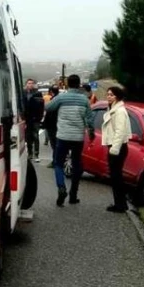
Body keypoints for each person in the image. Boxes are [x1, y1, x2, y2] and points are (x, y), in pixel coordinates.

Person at [45, 74, 94, 206]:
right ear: (79, 85)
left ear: (67, 84)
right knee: (77, 164)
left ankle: (61, 187)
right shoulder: (84, 100)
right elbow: (90, 119)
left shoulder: (62, 97)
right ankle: (73, 195)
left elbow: (48, 108)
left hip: (63, 136)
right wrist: (92, 134)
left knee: (58, 163)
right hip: (78, 137)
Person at [101, 85, 133, 213]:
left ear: (117, 96)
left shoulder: (119, 111)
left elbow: (120, 131)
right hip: (115, 146)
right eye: (108, 94)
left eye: (111, 95)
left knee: (116, 177)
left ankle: (120, 205)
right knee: (115, 176)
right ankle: (119, 203)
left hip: (118, 147)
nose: (108, 96)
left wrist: (114, 148)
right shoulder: (113, 109)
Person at [23, 79, 45, 161]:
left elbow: (41, 106)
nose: (30, 85)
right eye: (29, 83)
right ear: (26, 84)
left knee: (35, 136)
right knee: (28, 136)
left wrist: (40, 117)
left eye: (32, 83)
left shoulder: (38, 94)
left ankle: (36, 154)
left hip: (35, 118)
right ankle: (30, 153)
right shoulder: (23, 93)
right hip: (27, 118)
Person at [42, 85, 60, 165]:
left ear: (51, 92)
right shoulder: (59, 100)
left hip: (52, 126)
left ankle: (55, 161)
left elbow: (48, 113)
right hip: (58, 125)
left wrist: (44, 124)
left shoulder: (53, 101)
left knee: (54, 145)